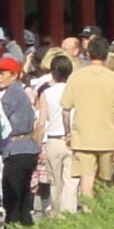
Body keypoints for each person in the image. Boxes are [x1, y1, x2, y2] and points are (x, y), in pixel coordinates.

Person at [62, 37, 114, 202]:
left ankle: (87, 212)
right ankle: (105, 212)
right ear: (107, 55)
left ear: (88, 53)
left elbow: (66, 110)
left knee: (86, 178)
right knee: (107, 178)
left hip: (82, 136)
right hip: (107, 137)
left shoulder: (76, 76)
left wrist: (68, 133)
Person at [0, 56, 39, 229]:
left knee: (13, 201)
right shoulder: (21, 93)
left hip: (16, 150)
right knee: (23, 199)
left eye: (2, 73)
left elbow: (0, 123)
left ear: (14, 75)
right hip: (26, 149)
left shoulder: (12, 94)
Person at [37, 53, 78, 216]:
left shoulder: (47, 93)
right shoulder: (76, 91)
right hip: (73, 138)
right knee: (71, 181)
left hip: (53, 140)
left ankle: (56, 213)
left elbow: (41, 122)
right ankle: (69, 215)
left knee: (55, 182)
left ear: (53, 72)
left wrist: (37, 143)